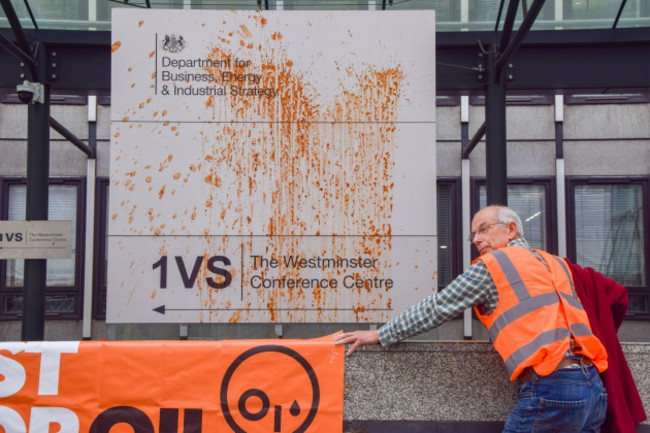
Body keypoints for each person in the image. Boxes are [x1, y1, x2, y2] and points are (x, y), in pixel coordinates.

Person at [335, 205, 609, 432]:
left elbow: (437, 307)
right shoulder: (556, 263)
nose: (476, 239)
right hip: (593, 388)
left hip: (553, 388)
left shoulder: (494, 265)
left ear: (511, 229)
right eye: (473, 235)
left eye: (484, 229)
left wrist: (380, 334)